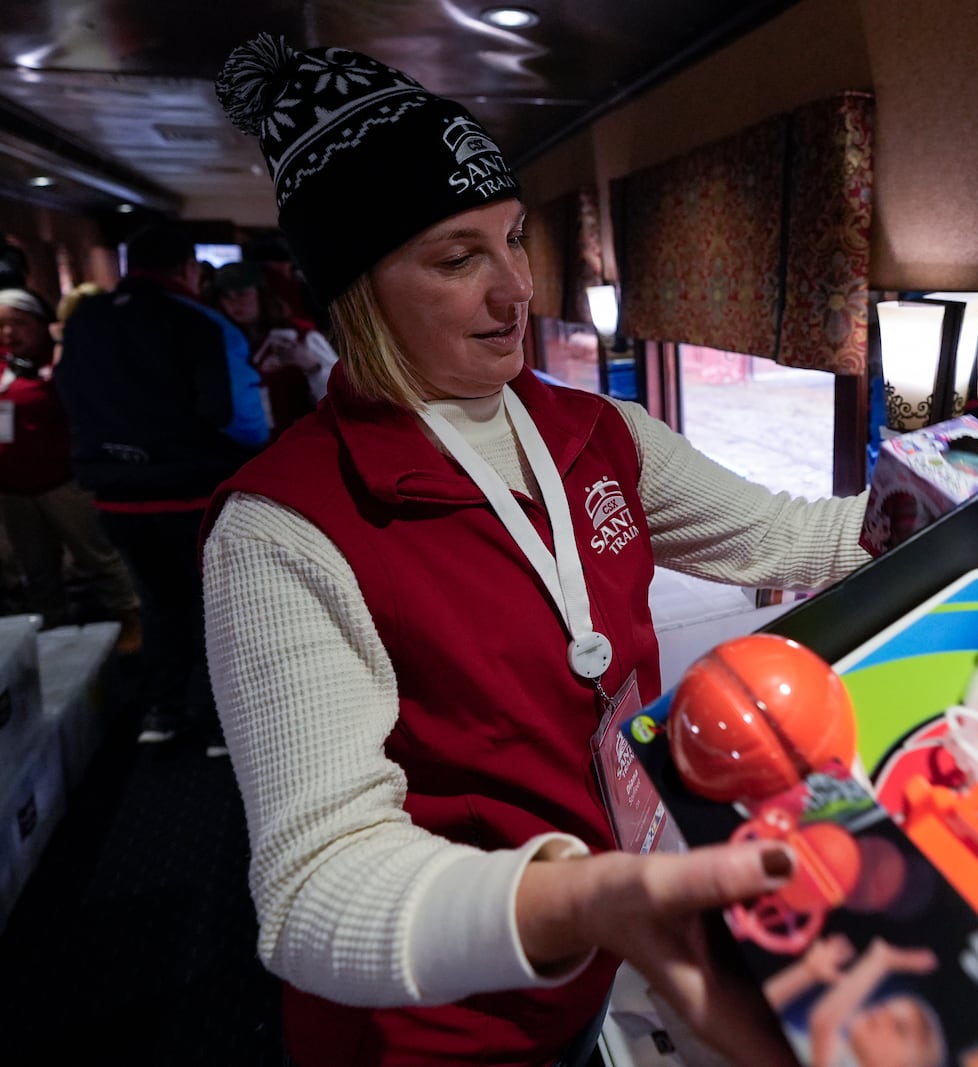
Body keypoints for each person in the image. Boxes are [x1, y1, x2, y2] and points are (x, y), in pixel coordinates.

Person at [204, 34, 872, 1067]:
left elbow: (794, 536)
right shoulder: (281, 528)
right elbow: (311, 894)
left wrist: (972, 503)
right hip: (434, 1025)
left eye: (513, 238)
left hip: (587, 959)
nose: (517, 288)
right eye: (457, 256)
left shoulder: (598, 433)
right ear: (356, 289)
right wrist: (585, 895)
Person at [54, 223, 269, 750]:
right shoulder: (202, 323)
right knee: (218, 608)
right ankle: (224, 724)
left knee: (158, 603)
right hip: (192, 493)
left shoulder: (84, 322)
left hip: (115, 497)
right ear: (188, 270)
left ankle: (163, 711)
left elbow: (67, 396)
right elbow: (243, 423)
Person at [0, 289, 143, 650]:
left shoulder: (64, 361)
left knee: (98, 557)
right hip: (14, 488)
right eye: (1, 325)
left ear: (39, 322)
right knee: (36, 567)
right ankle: (50, 631)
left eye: (17, 323)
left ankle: (131, 618)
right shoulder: (4, 366)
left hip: (64, 481)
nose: (9, 333)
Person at [764, 935, 945, 1067]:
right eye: (887, 1005)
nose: (883, 1012)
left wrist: (880, 961)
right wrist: (808, 971)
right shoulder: (811, 1045)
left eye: (899, 1027)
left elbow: (824, 1021)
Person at [212, 260, 338, 434]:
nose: (234, 303)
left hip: (296, 444)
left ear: (261, 294)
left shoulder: (300, 336)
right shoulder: (225, 344)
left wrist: (312, 366)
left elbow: (342, 394)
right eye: (226, 296)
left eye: (242, 293)